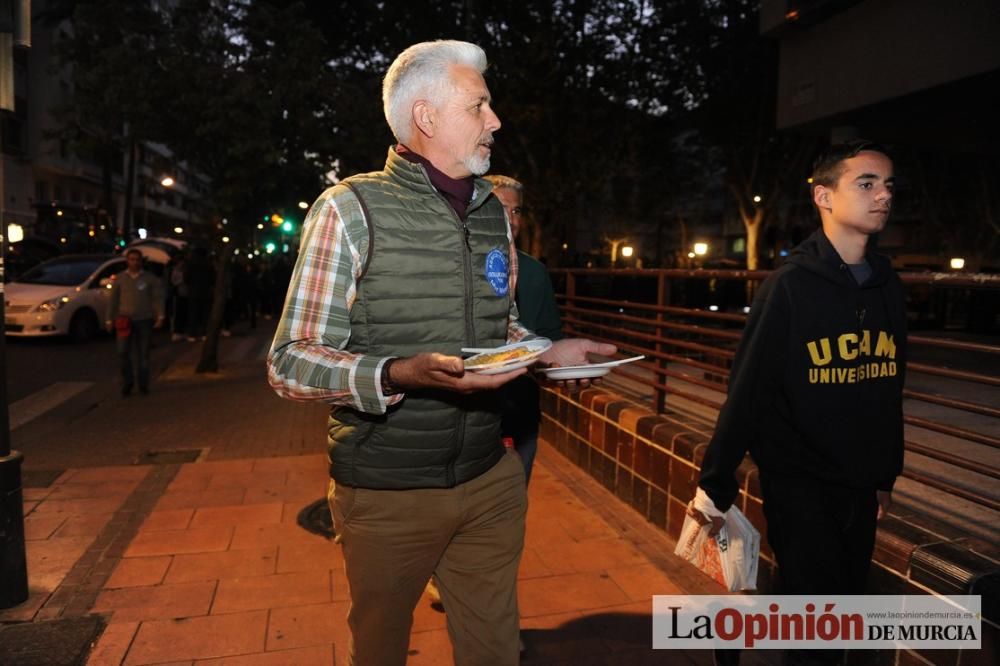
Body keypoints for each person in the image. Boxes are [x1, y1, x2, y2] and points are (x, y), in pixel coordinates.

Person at [267, 40, 614, 666]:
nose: (495, 121)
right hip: (387, 493)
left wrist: (547, 352)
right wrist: (400, 374)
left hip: (490, 477)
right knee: (380, 651)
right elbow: (288, 361)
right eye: (479, 105)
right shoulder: (350, 209)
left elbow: (500, 329)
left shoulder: (490, 214)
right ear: (426, 117)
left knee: (495, 650)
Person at [695, 140, 906, 664]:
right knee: (812, 623)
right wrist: (716, 479)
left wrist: (884, 476)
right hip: (800, 484)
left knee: (845, 608)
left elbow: (887, 387)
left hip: (860, 487)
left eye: (888, 185)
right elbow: (748, 387)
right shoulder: (789, 287)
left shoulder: (888, 286)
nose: (883, 195)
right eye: (866, 183)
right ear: (823, 196)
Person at [485, 174, 563, 483]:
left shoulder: (535, 272)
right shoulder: (456, 266)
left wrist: (560, 369)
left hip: (521, 414)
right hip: (473, 415)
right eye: (502, 208)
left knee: (514, 507)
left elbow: (550, 337)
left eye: (516, 211)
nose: (511, 219)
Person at [106, 249, 165, 396]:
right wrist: (109, 319)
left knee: (143, 355)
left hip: (144, 320)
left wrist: (160, 316)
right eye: (132, 259)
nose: (134, 262)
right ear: (127, 261)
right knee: (123, 352)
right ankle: (128, 382)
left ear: (141, 261)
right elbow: (113, 300)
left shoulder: (149, 279)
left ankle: (143, 384)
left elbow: (157, 298)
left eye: (137, 259)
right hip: (124, 320)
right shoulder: (120, 279)